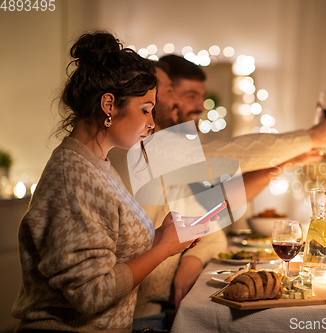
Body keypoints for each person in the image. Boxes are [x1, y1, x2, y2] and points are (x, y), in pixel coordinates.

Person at [108, 55, 326, 326]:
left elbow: (215, 213)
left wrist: (193, 260)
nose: (194, 105)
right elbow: (229, 154)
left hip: (150, 312)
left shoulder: (165, 152)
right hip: (129, 317)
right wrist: (308, 137)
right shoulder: (137, 150)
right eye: (181, 93)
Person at [11, 31, 209, 332]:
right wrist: (164, 249)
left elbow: (112, 252)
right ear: (109, 105)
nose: (152, 122)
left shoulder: (98, 163)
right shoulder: (72, 176)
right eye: (145, 109)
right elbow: (92, 294)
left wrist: (161, 235)